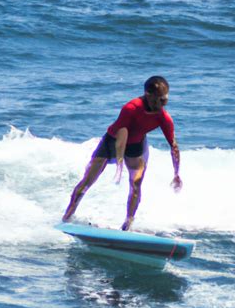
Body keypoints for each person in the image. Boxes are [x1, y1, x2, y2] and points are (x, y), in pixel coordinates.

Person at [62, 76, 182, 231]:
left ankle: (127, 224)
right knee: (87, 181)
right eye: (159, 100)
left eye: (165, 100)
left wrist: (176, 173)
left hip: (135, 145)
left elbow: (174, 147)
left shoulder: (163, 118)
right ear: (148, 94)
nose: (162, 104)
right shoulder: (131, 108)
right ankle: (66, 218)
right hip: (112, 142)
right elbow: (121, 135)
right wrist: (119, 163)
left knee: (136, 184)